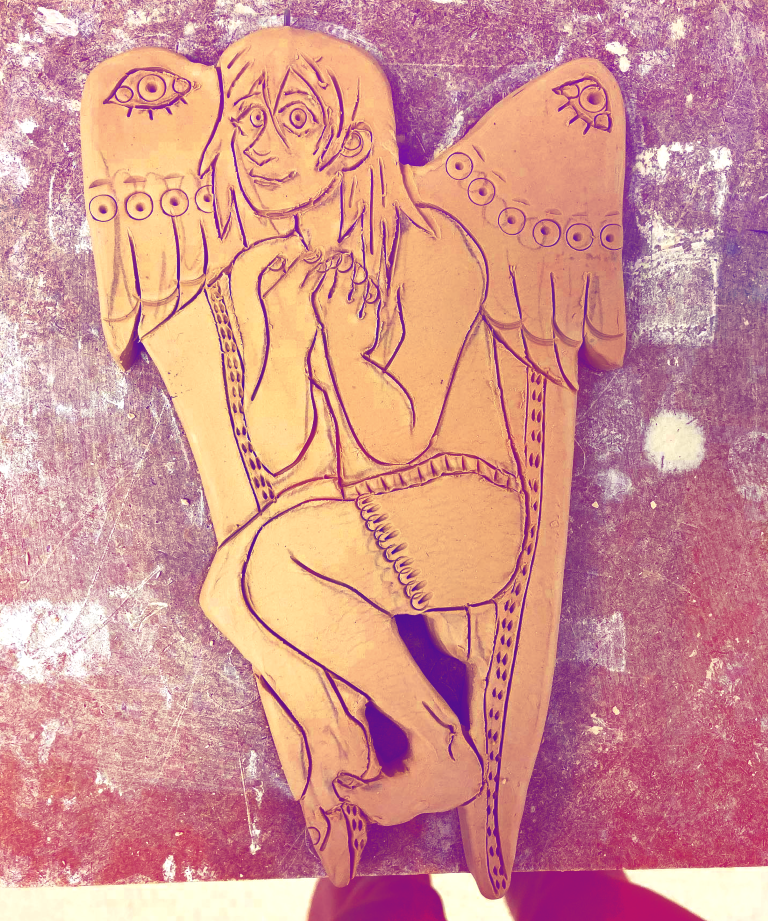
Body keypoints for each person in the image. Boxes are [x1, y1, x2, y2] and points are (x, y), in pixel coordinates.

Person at [197, 24, 528, 841]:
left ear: (351, 143)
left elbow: (399, 439)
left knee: (274, 562)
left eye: (295, 121)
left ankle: (439, 744)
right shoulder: (262, 270)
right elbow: (278, 450)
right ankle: (338, 742)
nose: (260, 147)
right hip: (350, 512)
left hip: (466, 509)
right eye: (248, 121)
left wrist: (342, 344)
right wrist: (287, 337)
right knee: (224, 588)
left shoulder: (432, 248)